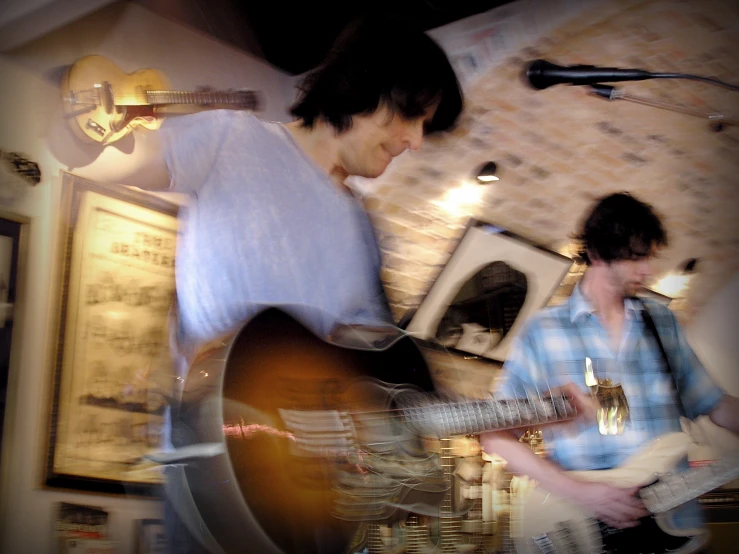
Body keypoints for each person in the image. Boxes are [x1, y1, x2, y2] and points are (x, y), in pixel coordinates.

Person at [72, 14, 464, 554]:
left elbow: (376, 381)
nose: (416, 141)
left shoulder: (359, 227)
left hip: (310, 509)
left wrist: (477, 419)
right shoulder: (229, 140)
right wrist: (80, 128)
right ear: (362, 88)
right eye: (409, 116)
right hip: (213, 488)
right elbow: (109, 161)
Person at [481, 192, 739, 545]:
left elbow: (715, 404)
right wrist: (579, 492)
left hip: (676, 527)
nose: (648, 270)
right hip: (586, 531)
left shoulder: (662, 322)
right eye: (635, 258)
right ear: (599, 255)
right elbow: (495, 434)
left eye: (648, 256)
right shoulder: (543, 332)